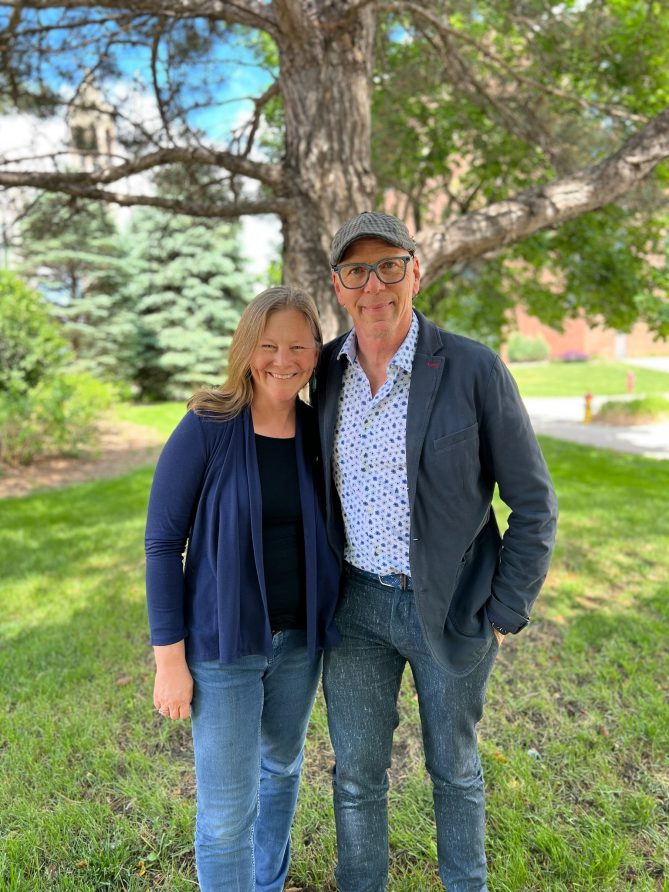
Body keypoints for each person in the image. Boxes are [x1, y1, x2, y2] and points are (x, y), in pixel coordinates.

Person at [313, 211, 558, 891]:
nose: (374, 285)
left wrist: (506, 609)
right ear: (338, 285)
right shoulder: (326, 371)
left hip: (452, 604)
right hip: (355, 608)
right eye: (356, 270)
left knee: (453, 765)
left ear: (415, 271)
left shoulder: (471, 367)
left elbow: (532, 501)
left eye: (389, 265)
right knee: (357, 769)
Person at [145, 286, 340, 892]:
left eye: (298, 346)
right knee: (227, 815)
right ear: (247, 347)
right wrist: (169, 662)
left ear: (316, 354)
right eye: (269, 345)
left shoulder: (317, 430)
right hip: (223, 645)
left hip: (299, 643)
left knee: (280, 771)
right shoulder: (209, 425)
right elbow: (160, 544)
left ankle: (268, 884)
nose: (283, 359)